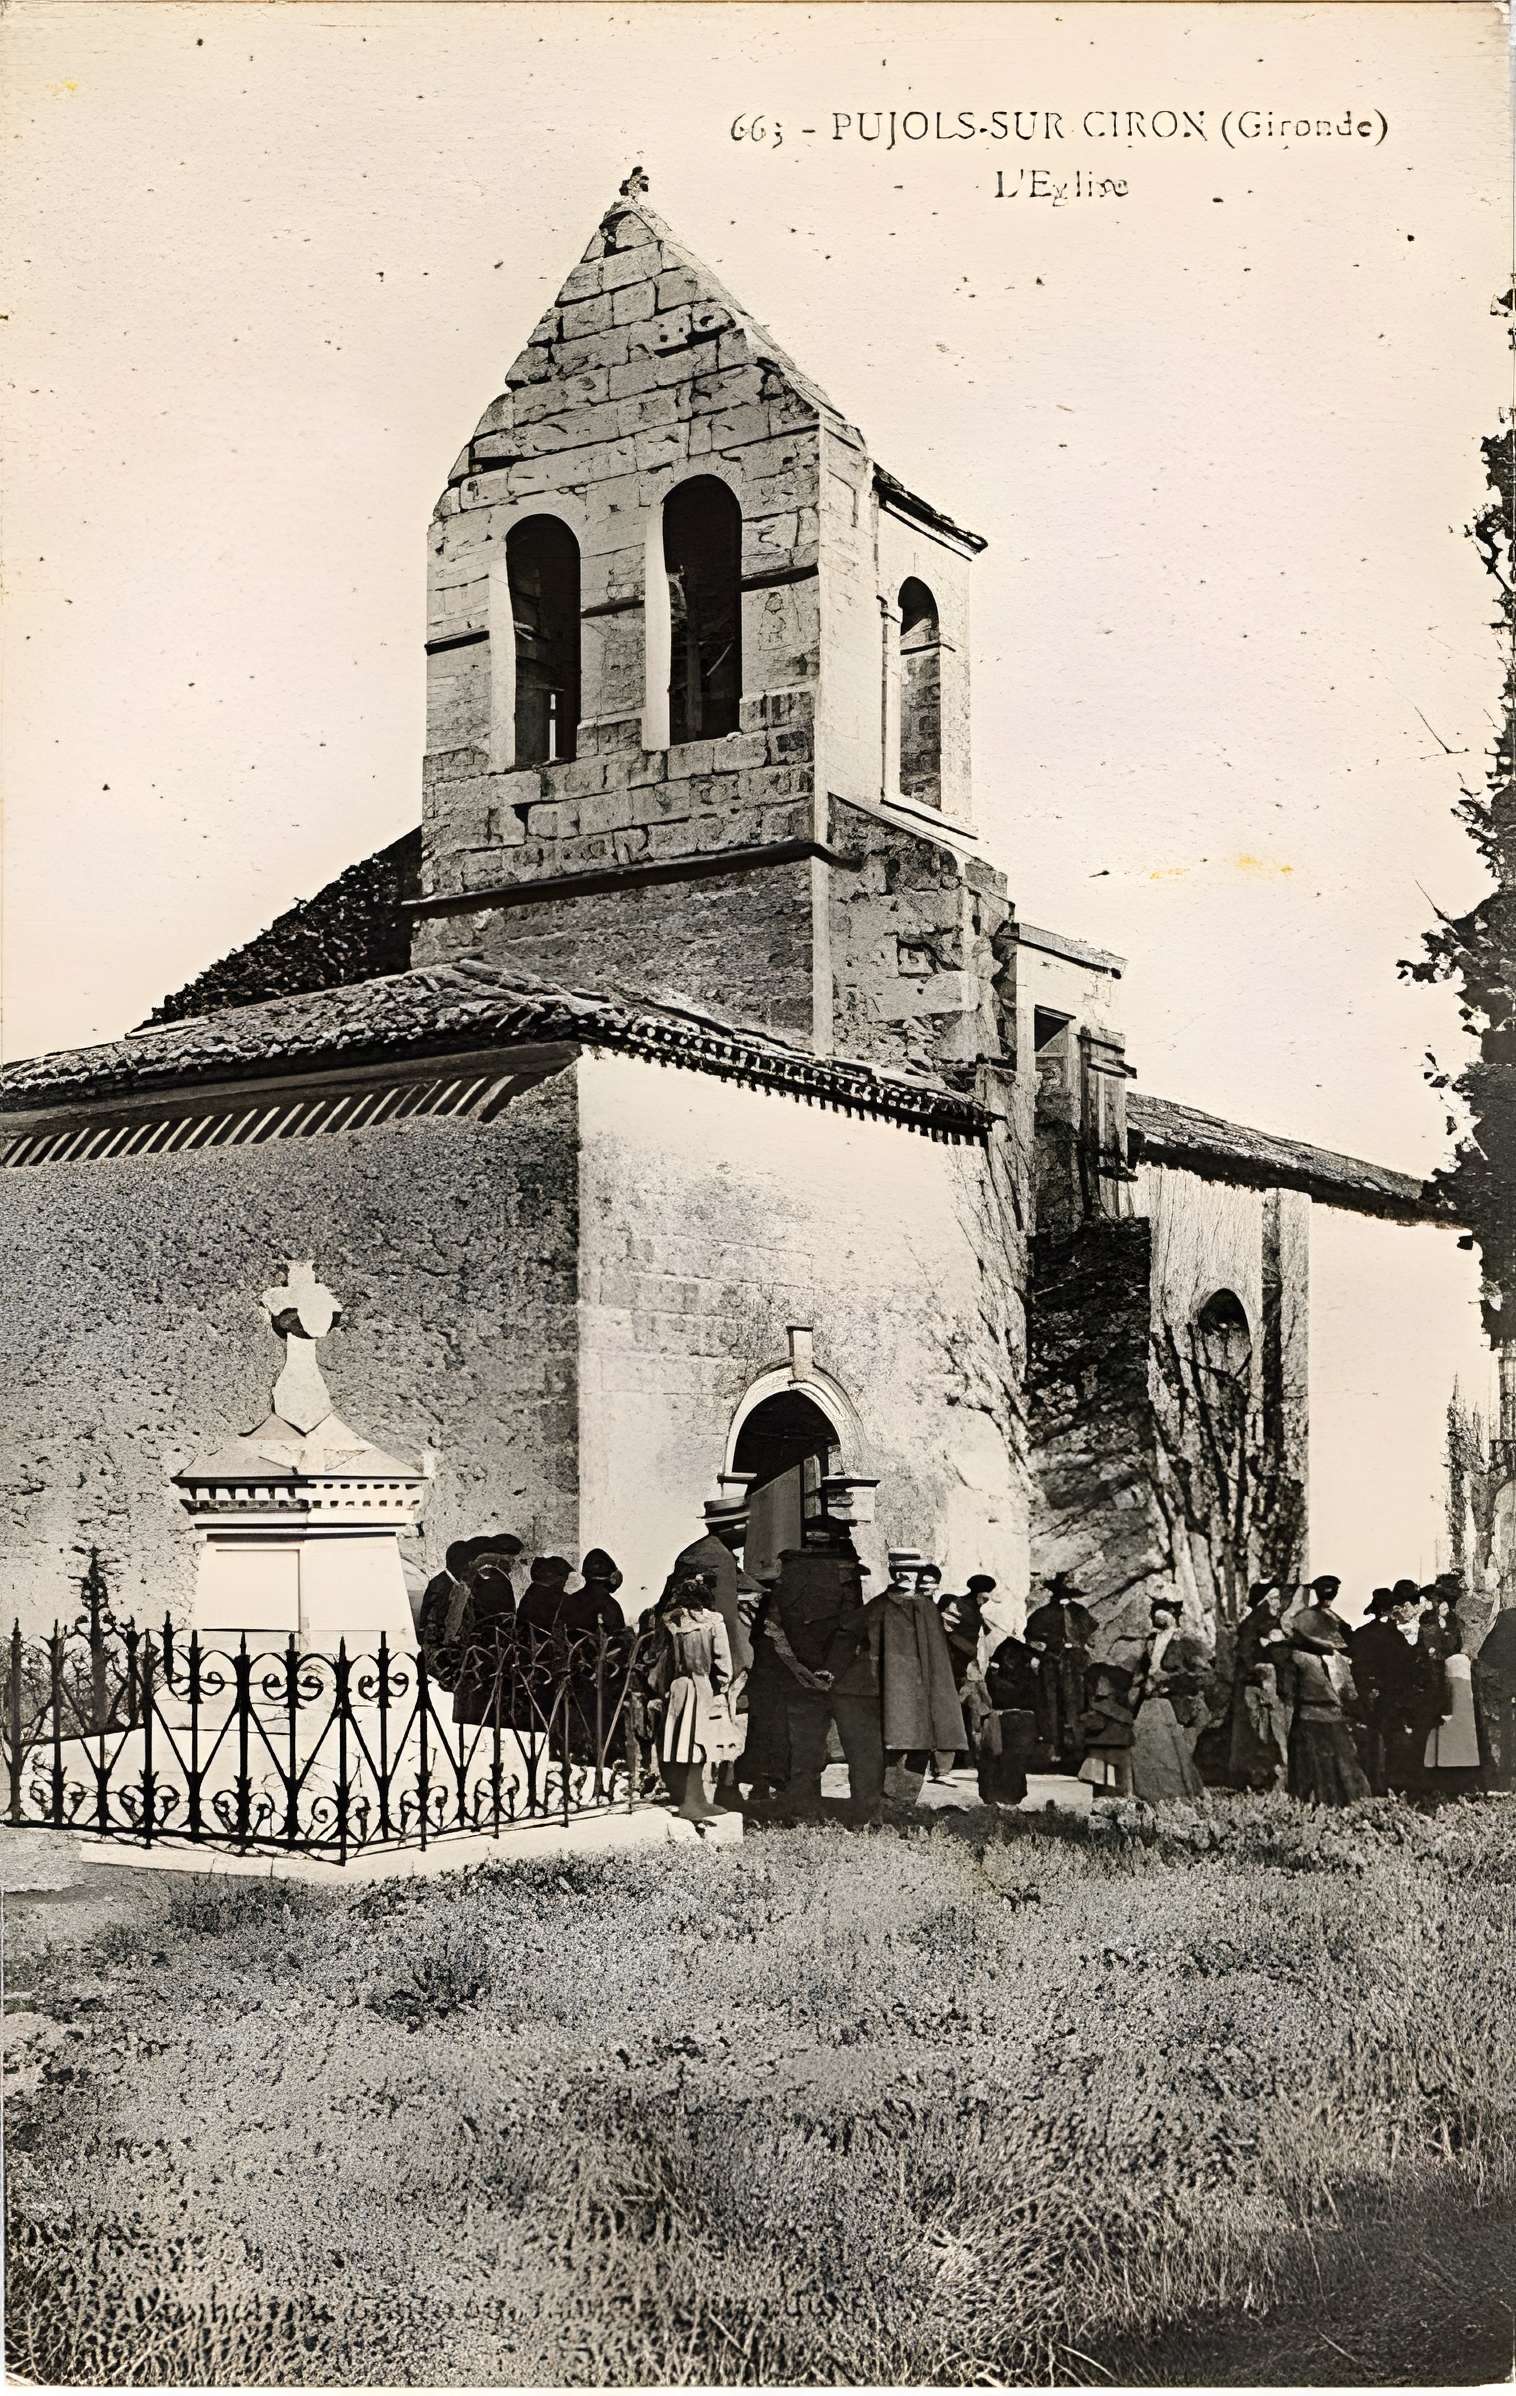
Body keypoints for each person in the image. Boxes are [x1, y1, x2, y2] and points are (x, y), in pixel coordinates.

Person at [860, 1554, 968, 1806]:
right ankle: (888, 1801)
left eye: (911, 1572)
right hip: (892, 1690)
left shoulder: (926, 1607)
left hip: (924, 1691)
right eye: (901, 1571)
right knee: (892, 1744)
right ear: (893, 1573)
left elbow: (939, 1655)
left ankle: (904, 1802)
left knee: (920, 1743)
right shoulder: (880, 1607)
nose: (906, 1577)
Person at [646, 1575, 741, 1825]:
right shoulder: (713, 1622)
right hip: (701, 1687)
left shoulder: (671, 1622)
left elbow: (657, 1656)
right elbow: (723, 1666)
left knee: (682, 1745)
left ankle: (693, 1798)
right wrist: (722, 1687)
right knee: (699, 1745)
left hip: (678, 1686)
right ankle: (693, 1801)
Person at [1106, 1597, 1204, 1801]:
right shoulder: (1150, 1642)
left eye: (1164, 1612)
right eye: (1156, 1612)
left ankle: (1175, 1793)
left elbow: (1201, 1675)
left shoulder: (1185, 1642)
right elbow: (1139, 1671)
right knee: (1143, 1744)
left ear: (1173, 1615)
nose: (1159, 1616)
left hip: (1174, 1702)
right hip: (1150, 1701)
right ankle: (1146, 1792)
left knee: (1173, 1752)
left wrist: (1168, 1681)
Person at [1286, 1596, 1370, 1806]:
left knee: (1314, 1768)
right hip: (1329, 1717)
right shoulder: (1333, 1660)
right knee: (1339, 1765)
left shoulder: (1298, 1658)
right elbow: (1349, 1693)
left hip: (1310, 1717)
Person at [1352, 1582, 1428, 1795]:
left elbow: (1356, 1665)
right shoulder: (1394, 1636)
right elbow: (1408, 1664)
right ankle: (1394, 1784)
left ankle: (1376, 1783)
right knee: (1394, 1739)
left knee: (1375, 1738)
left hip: (1370, 1693)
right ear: (1389, 1611)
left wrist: (1367, 1688)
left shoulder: (1362, 1633)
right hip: (1392, 1695)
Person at [1023, 1572, 1097, 1770]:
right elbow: (1032, 1639)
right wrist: (1041, 1654)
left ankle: (1075, 1751)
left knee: (1075, 1706)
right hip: (1053, 1665)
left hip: (1074, 1666)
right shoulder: (1044, 1614)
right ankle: (1055, 1751)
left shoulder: (1080, 1613)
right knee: (1053, 1706)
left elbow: (1090, 1638)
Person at [1224, 1581, 1291, 1791]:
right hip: (1258, 1686)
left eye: (1278, 1598)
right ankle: (1261, 1776)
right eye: (1272, 1598)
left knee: (1272, 1730)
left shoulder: (1275, 1623)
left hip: (1273, 1685)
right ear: (1262, 1602)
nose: (1277, 1603)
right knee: (1261, 1731)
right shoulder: (1252, 1626)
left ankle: (1271, 1775)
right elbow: (1247, 1657)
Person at [1422, 1590, 1487, 1795]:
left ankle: (1457, 1775)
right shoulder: (1440, 1626)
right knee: (1454, 1728)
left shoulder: (1453, 1626)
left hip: (1456, 1677)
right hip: (1454, 1677)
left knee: (1457, 1728)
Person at [971, 1627, 1040, 1806]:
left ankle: (995, 1797)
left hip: (1001, 1720)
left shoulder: (995, 1675)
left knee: (995, 1759)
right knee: (1014, 1762)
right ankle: (1010, 1797)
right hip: (1019, 1720)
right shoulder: (1028, 1675)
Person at [1076, 1660, 1139, 1798]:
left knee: (1104, 1788)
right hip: (1113, 1745)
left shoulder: (1100, 1704)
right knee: (1115, 1786)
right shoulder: (1121, 1708)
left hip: (1106, 1746)